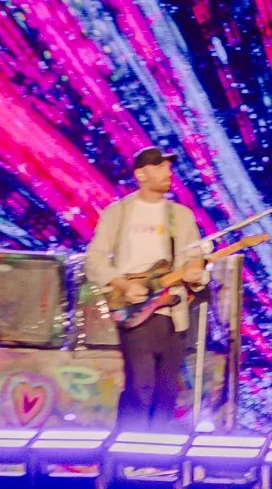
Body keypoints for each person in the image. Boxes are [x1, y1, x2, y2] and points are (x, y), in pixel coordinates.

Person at [84, 146, 209, 428]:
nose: (168, 173)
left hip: (173, 311)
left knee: (167, 390)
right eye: (160, 167)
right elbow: (94, 258)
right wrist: (121, 284)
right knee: (141, 385)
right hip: (135, 309)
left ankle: (157, 458)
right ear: (141, 174)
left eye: (168, 167)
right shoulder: (118, 213)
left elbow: (194, 260)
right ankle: (125, 448)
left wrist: (195, 274)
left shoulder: (181, 215)